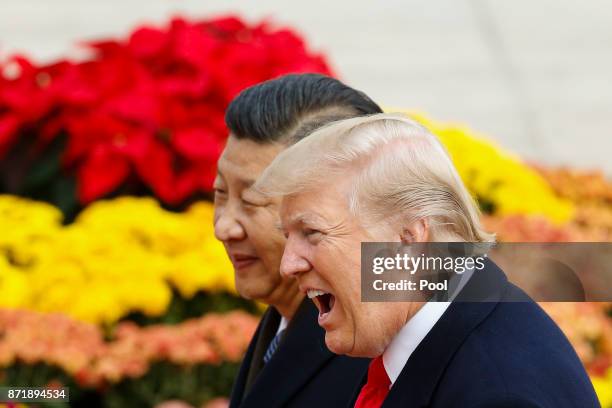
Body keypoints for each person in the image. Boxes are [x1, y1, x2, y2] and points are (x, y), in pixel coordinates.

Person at [255, 113, 600, 407]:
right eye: (287, 236)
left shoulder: (498, 394)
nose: (288, 265)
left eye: (312, 233)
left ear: (408, 237)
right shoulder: (408, 329)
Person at [214, 73, 382, 407]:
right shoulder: (287, 308)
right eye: (220, 193)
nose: (224, 227)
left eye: (251, 201)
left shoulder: (372, 348)